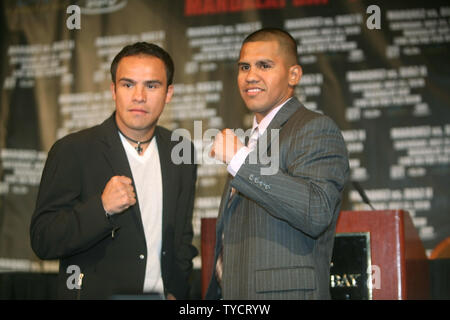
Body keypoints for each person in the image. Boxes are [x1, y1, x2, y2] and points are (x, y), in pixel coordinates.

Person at [30, 42, 198, 300]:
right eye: (128, 84)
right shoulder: (74, 150)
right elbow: (44, 239)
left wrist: (176, 290)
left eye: (151, 85)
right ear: (113, 90)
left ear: (168, 93)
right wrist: (101, 208)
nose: (139, 96)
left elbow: (182, 237)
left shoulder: (181, 151)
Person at [206, 28, 349, 299]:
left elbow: (317, 211)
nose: (250, 76)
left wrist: (240, 161)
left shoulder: (314, 128)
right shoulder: (253, 140)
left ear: (293, 75)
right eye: (244, 66)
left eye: (264, 65)